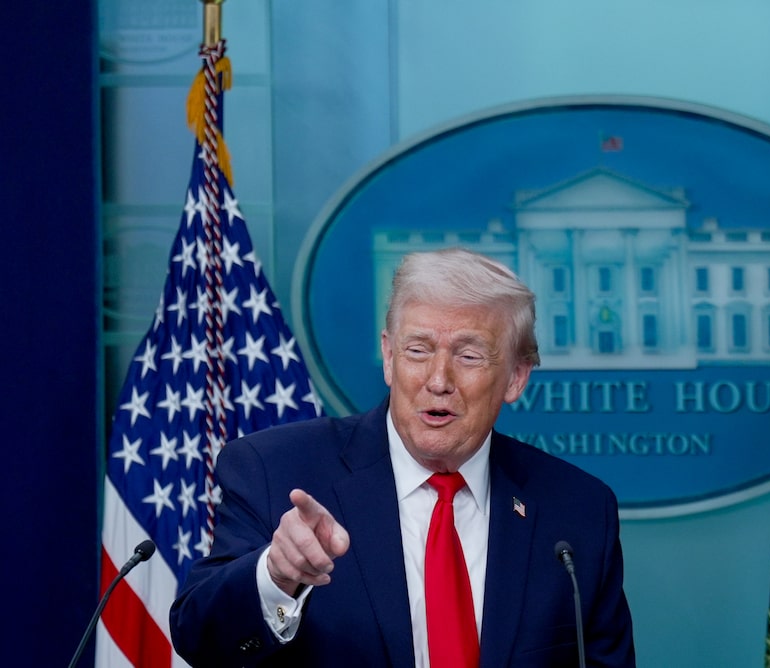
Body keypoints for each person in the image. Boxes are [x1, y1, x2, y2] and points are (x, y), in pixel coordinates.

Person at [169, 247, 636, 667]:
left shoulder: (578, 510)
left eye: (469, 356)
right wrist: (277, 575)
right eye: (418, 350)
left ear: (516, 377)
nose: (438, 379)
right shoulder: (274, 470)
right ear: (389, 356)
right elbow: (199, 639)